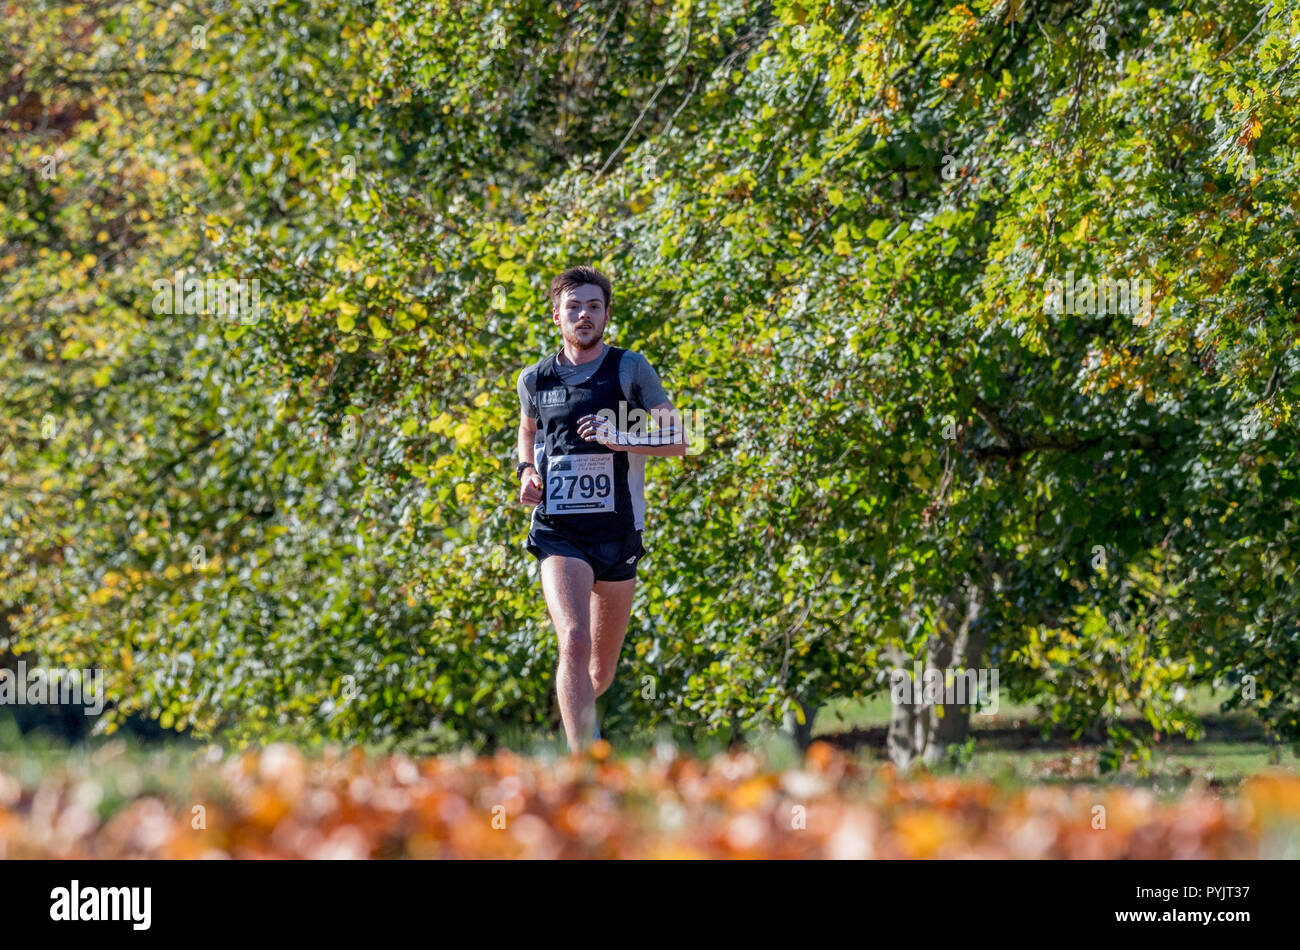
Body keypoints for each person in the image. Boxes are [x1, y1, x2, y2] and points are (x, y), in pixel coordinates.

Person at [515, 265, 685, 753]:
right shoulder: (534, 378)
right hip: (558, 531)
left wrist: (622, 438)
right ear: (556, 316)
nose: (583, 315)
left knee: (598, 671)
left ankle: (582, 728)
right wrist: (527, 471)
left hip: (617, 533)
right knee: (572, 639)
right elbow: (528, 431)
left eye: (593, 306)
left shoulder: (630, 369)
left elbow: (678, 438)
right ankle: (583, 767)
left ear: (607, 314)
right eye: (574, 307)